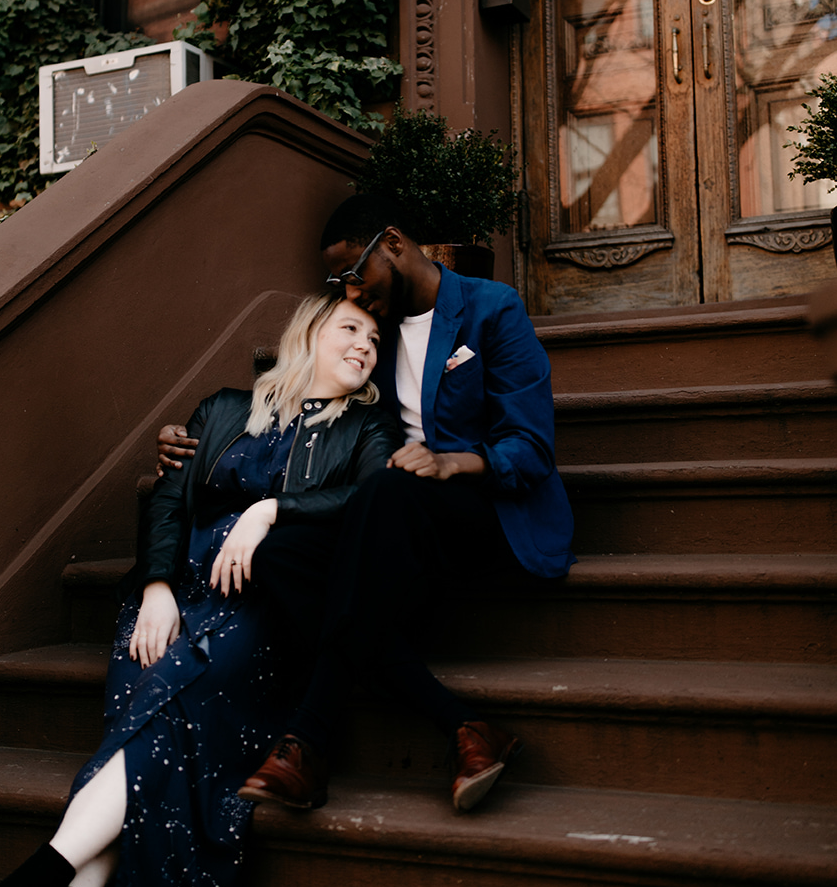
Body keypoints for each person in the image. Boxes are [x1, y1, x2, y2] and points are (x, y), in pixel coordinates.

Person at [0, 294, 401, 887]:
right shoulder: (221, 408)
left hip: (260, 610)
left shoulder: (367, 428)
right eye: (349, 329)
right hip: (173, 599)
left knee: (155, 721)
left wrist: (271, 512)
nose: (364, 345)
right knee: (147, 729)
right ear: (307, 336)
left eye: (375, 339)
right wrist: (156, 584)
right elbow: (168, 503)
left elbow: (374, 497)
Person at [159, 193, 575, 818]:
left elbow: (532, 445)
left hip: (484, 511)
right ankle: (463, 725)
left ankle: (307, 739)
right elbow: (304, 403)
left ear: (395, 244)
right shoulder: (372, 343)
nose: (351, 295)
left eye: (355, 274)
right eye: (338, 286)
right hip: (393, 521)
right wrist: (196, 436)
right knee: (280, 551)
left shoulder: (492, 310)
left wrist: (452, 462)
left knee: (386, 490)